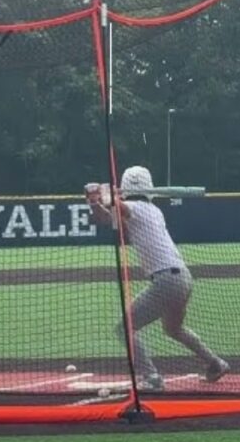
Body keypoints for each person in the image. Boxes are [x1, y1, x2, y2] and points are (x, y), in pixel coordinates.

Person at [86, 166, 229, 391]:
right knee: (173, 329)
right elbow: (107, 220)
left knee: (125, 328)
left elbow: (116, 205)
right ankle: (215, 363)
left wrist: (104, 194)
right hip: (182, 279)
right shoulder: (151, 210)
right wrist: (95, 202)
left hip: (166, 280)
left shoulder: (135, 208)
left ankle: (151, 377)